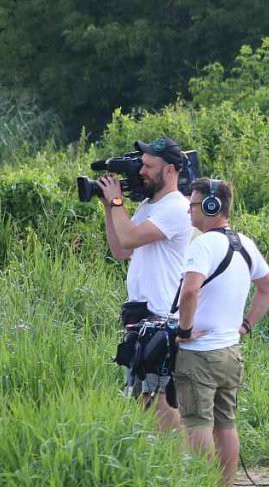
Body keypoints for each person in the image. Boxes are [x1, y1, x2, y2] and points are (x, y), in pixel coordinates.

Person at [174, 178, 269, 484]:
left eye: (193, 204)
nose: (189, 211)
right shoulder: (245, 243)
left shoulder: (203, 245)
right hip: (231, 353)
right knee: (226, 425)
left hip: (199, 354)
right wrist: (246, 325)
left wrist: (184, 330)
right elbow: (268, 287)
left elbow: (190, 292)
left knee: (197, 424)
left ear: (210, 206)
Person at [97, 135, 193, 433]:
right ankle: (161, 463)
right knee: (145, 400)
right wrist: (108, 207)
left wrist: (117, 202)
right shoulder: (149, 207)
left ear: (170, 171)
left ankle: (182, 464)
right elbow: (121, 250)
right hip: (141, 317)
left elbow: (129, 238)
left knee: (162, 401)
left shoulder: (176, 207)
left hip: (162, 318)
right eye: (142, 165)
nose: (141, 172)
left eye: (149, 166)